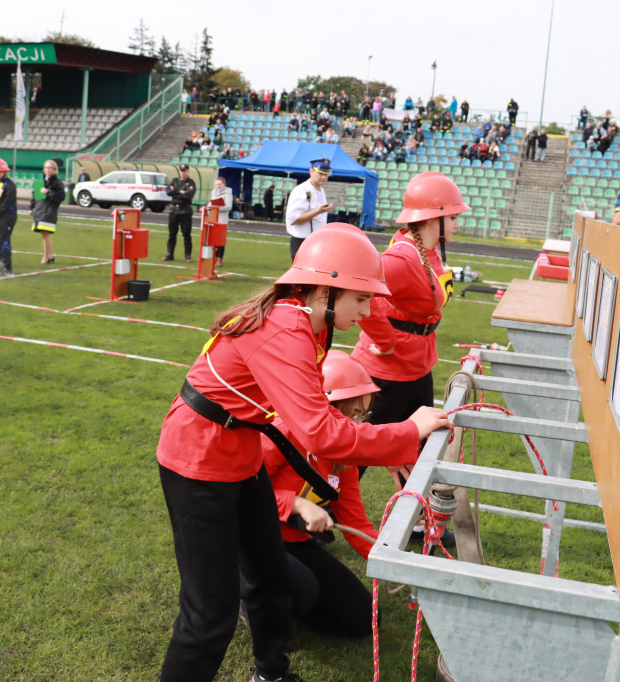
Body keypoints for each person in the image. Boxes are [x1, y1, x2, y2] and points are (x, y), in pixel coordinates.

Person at [156, 224, 452, 682]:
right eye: (361, 299)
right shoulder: (288, 329)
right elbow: (323, 434)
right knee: (207, 614)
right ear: (324, 289)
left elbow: (316, 427)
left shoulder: (310, 320)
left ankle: (270, 674)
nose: (369, 310)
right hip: (198, 462)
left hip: (239, 452)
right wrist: (407, 431)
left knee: (271, 578)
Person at [351, 172, 467, 489]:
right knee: (358, 453)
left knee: (420, 448)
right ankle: (316, 521)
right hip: (385, 373)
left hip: (416, 367)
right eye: (453, 217)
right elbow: (362, 292)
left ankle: (416, 520)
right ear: (433, 218)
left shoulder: (428, 251)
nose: (458, 224)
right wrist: (385, 341)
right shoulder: (401, 258)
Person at [260, 349, 384, 638]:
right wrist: (297, 504)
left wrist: (394, 565)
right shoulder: (282, 432)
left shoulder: (344, 455)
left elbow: (355, 523)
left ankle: (288, 604)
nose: (360, 423)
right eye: (354, 412)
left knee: (364, 620)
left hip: (296, 542)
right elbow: (239, 491)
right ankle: (251, 602)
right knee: (303, 588)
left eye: (364, 413)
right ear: (325, 405)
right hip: (250, 540)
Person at [284, 158, 333, 260]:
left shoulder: (321, 189)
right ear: (311, 171)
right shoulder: (301, 190)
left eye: (326, 174)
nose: (323, 177)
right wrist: (318, 211)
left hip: (316, 240)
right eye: (320, 173)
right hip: (302, 241)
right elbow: (293, 219)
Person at [29, 158, 66, 265]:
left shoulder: (58, 183)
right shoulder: (40, 181)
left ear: (55, 169)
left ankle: (46, 256)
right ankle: (50, 256)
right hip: (40, 210)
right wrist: (31, 208)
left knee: (45, 234)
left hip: (49, 210)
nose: (48, 170)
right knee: (44, 234)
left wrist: (49, 192)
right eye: (46, 167)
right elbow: (34, 195)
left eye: (50, 168)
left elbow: (61, 197)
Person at [0, 158, 18, 277]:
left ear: (5, 172)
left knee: (4, 241)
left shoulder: (10, 185)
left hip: (8, 216)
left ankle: (8, 268)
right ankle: (2, 267)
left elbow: (7, 202)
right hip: (0, 215)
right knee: (0, 241)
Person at [164, 163, 196, 262]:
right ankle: (170, 254)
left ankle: (187, 255)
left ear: (188, 171)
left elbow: (188, 195)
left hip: (185, 210)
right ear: (179, 171)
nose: (183, 172)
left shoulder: (191, 182)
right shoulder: (174, 180)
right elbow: (168, 191)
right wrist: (180, 191)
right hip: (174, 210)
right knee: (172, 233)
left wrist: (175, 192)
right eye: (181, 171)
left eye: (185, 170)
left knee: (186, 234)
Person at [209, 176, 232, 267]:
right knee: (213, 240)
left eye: (219, 184)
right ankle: (213, 258)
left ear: (224, 184)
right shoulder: (214, 193)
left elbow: (228, 207)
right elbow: (210, 204)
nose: (217, 186)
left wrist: (216, 208)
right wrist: (207, 208)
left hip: (222, 220)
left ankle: (220, 259)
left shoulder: (228, 193)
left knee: (220, 241)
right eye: (216, 184)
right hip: (213, 219)